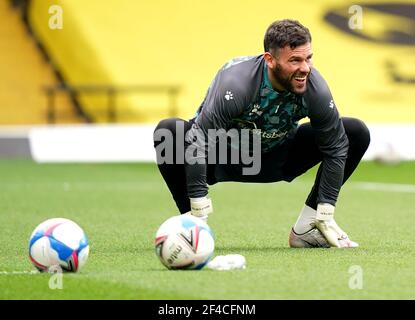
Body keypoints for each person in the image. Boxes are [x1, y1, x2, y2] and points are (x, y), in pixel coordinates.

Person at [153, 19, 370, 248]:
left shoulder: (314, 87)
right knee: (169, 132)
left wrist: (324, 213)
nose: (305, 68)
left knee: (354, 132)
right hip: (221, 158)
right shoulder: (237, 83)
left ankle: (307, 228)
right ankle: (194, 230)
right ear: (270, 59)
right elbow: (199, 143)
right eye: (295, 60)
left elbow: (335, 148)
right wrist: (198, 212)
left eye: (308, 58)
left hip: (277, 158)